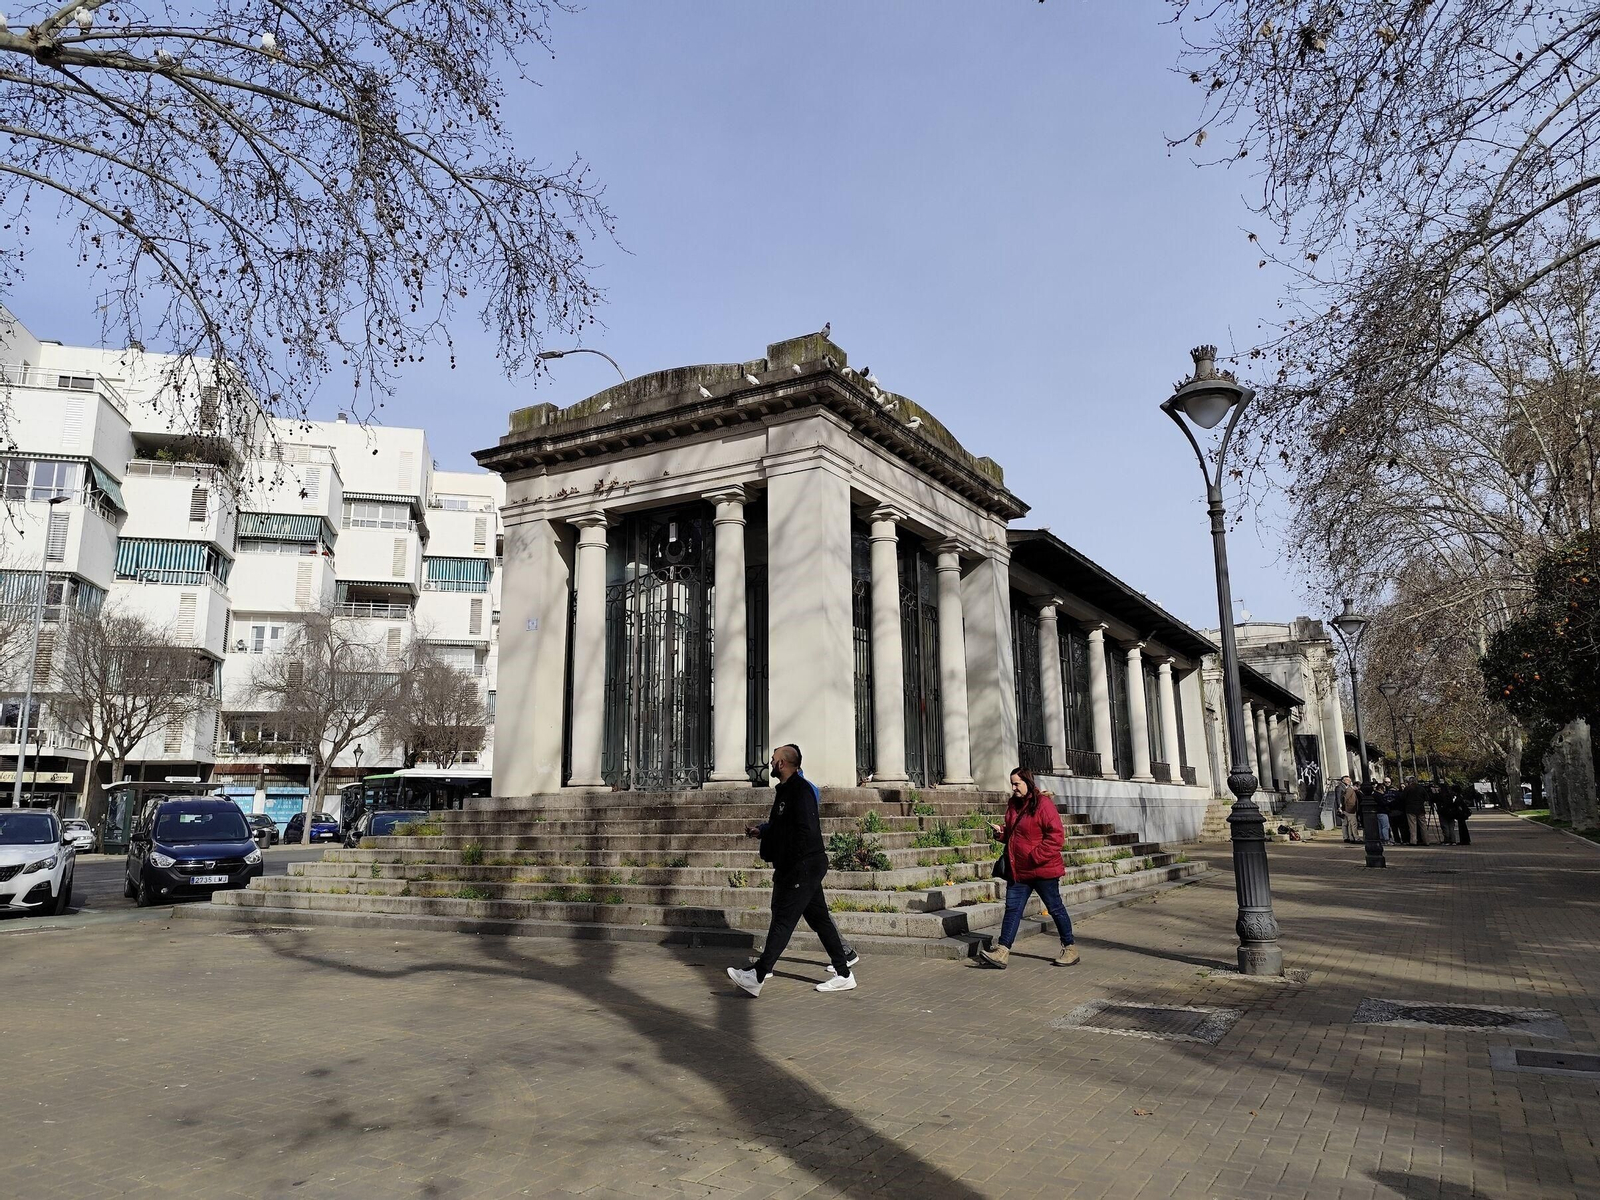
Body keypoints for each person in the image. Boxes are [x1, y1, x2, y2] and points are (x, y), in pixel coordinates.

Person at [726, 744, 856, 997]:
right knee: (819, 920)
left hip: (803, 866)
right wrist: (762, 831)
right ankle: (843, 974)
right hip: (800, 865)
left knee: (783, 920)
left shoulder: (801, 790)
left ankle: (758, 975)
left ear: (783, 764)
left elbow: (805, 831)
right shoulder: (786, 790)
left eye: (774, 760)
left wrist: (794, 864)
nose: (771, 763)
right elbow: (782, 825)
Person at [976, 767, 1078, 969]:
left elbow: (1056, 836)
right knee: (1012, 909)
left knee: (1055, 908)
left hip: (1042, 869)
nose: (1013, 788)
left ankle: (1070, 948)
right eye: (1012, 783)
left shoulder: (1044, 805)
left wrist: (1035, 857)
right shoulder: (1013, 805)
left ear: (1028, 783)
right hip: (1019, 870)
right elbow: (1015, 834)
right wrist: (1001, 833)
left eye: (1017, 784)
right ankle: (1002, 952)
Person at [1400, 776, 1429, 846]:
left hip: (1410, 808)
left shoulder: (1408, 788)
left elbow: (1402, 798)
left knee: (1412, 825)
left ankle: (1413, 841)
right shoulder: (1421, 788)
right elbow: (1427, 797)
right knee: (1423, 825)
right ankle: (1426, 840)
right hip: (1420, 808)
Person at [1338, 775, 1361, 843]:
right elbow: (1345, 798)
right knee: (1353, 824)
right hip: (1350, 809)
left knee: (1350, 824)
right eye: (1348, 780)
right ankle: (1356, 838)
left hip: (1349, 809)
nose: (1349, 781)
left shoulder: (1350, 790)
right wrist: (1342, 807)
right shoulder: (1350, 790)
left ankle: (1352, 837)